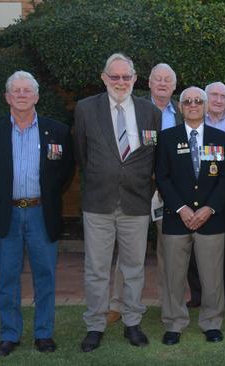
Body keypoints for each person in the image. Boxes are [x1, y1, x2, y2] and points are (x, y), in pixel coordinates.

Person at [0, 71, 74, 357]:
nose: (21, 95)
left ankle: (44, 333)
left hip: (42, 213)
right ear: (7, 97)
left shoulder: (56, 131)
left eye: (26, 90)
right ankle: (10, 334)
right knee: (7, 278)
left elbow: (65, 172)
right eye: (15, 91)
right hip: (7, 214)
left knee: (45, 276)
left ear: (36, 96)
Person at [74, 53, 161, 352]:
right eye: (115, 77)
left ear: (135, 79)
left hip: (135, 203)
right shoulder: (86, 109)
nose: (121, 82)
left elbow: (153, 155)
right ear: (104, 78)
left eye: (126, 77)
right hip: (98, 201)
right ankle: (95, 324)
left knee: (134, 267)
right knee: (96, 267)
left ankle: (132, 322)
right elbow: (82, 155)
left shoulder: (150, 112)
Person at [155, 86, 225, 345]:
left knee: (212, 276)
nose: (193, 105)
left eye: (198, 101)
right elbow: (162, 177)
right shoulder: (167, 138)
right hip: (177, 218)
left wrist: (208, 208)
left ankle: (212, 322)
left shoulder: (222, 138)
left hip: (211, 218)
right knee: (174, 275)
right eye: (187, 101)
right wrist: (182, 208)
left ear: (206, 105)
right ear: (180, 107)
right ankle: (174, 323)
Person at [108, 62, 180, 324]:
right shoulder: (132, 109)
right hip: (137, 189)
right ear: (148, 83)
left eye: (167, 80)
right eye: (157, 79)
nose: (162, 84)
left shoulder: (182, 113)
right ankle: (117, 304)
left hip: (167, 192)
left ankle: (167, 304)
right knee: (128, 250)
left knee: (169, 250)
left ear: (174, 86)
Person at [187, 81, 225, 309]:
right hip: (197, 198)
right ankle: (197, 293)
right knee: (194, 247)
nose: (218, 100)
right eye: (213, 95)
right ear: (206, 99)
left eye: (222, 96)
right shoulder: (192, 123)